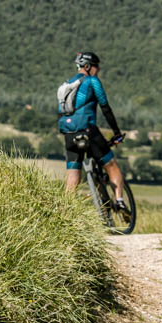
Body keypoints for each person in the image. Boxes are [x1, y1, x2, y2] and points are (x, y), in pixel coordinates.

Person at [59, 52, 127, 208]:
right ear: (88, 67)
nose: (98, 70)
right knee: (111, 165)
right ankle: (120, 201)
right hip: (88, 131)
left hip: (69, 134)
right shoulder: (92, 81)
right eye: (97, 67)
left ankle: (66, 209)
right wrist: (116, 133)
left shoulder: (66, 86)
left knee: (73, 173)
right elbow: (105, 107)